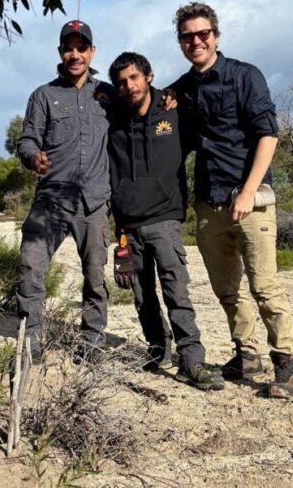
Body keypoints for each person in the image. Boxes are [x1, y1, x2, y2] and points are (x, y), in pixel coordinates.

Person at [171, 2, 293, 398]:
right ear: (181, 42)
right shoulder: (182, 89)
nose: (196, 41)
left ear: (215, 35)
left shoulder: (245, 76)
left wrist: (247, 192)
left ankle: (287, 363)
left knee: (264, 286)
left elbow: (268, 135)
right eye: (188, 36)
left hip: (252, 199)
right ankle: (246, 354)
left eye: (203, 33)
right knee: (227, 289)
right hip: (210, 203)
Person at [107, 52, 225, 391]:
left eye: (134, 78)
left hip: (165, 220)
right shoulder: (113, 116)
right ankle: (158, 350)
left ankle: (192, 361)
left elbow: (208, 128)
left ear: (148, 76)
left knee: (176, 291)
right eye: (122, 82)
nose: (129, 86)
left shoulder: (175, 112)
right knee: (142, 295)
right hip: (128, 225)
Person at [17, 20, 115, 360]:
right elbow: (28, 138)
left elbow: (139, 113)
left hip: (94, 203)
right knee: (31, 268)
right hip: (50, 201)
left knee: (95, 278)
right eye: (68, 47)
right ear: (60, 52)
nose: (75, 54)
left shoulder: (108, 94)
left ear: (92, 51)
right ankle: (30, 343)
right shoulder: (43, 95)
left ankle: (92, 343)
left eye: (81, 47)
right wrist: (33, 157)